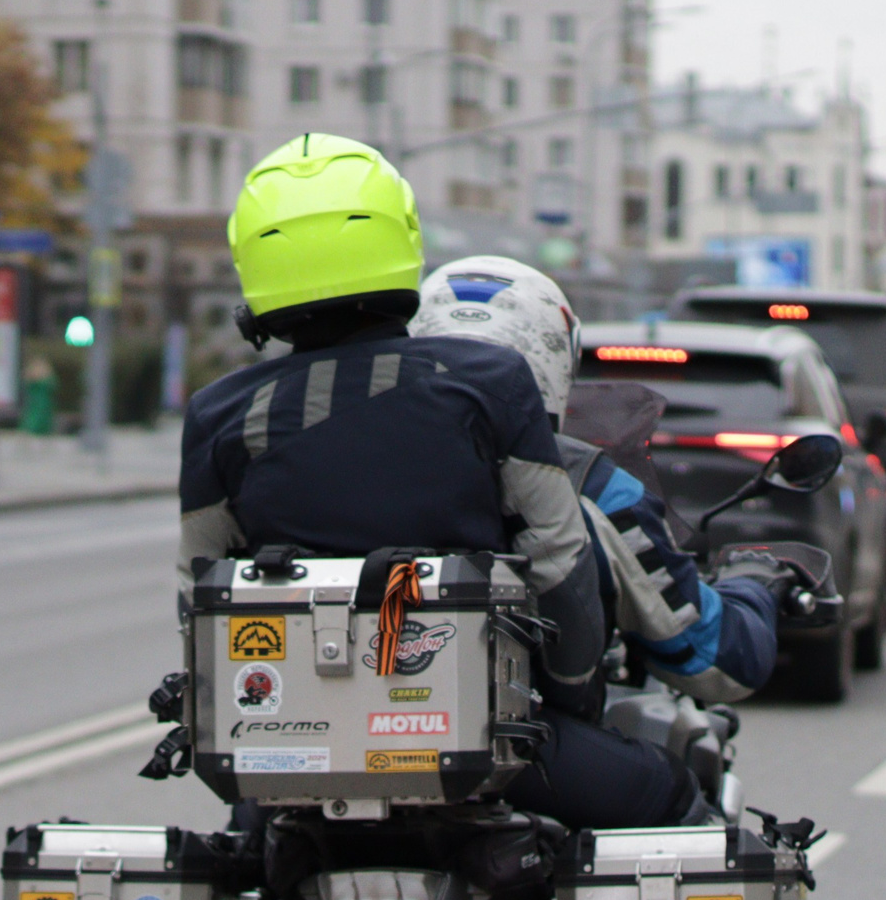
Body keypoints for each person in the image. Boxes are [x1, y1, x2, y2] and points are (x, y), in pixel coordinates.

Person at [181, 133, 699, 831]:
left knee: (240, 882)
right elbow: (562, 563)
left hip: (289, 772)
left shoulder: (219, 414)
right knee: (672, 792)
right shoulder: (488, 382)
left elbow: (201, 593)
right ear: (404, 238)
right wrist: (571, 704)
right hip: (487, 752)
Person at [406, 256, 779, 706]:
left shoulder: (356, 460)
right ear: (555, 357)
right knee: (670, 772)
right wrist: (753, 585)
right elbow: (713, 658)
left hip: (339, 731)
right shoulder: (591, 484)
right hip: (527, 739)